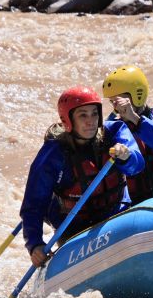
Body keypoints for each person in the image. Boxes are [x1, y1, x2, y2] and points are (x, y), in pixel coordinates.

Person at [20, 86, 144, 267]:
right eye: (83, 115)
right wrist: (34, 244)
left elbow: (137, 167)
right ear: (68, 120)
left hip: (115, 215)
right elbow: (33, 205)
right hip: (76, 229)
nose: (91, 121)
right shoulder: (53, 155)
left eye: (94, 114)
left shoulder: (115, 132)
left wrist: (127, 156)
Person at [102, 64, 153, 204]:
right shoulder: (114, 127)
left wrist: (135, 119)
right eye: (113, 102)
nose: (116, 107)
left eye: (120, 100)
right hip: (138, 208)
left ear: (137, 95)